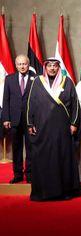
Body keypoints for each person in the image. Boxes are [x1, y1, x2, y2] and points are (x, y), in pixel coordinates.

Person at [26, 58, 81, 201]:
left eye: (55, 66)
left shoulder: (67, 81)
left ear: (58, 67)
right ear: (45, 67)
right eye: (49, 66)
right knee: (44, 159)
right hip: (43, 129)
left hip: (62, 130)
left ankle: (64, 192)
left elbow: (75, 104)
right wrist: (30, 123)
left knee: (62, 159)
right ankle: (44, 193)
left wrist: (74, 123)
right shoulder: (37, 82)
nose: (52, 68)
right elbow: (30, 103)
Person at [2, 55, 36, 184]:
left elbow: (37, 101)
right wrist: (6, 118)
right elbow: (6, 100)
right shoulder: (9, 79)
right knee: (16, 148)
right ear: (16, 65)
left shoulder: (36, 78)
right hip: (14, 120)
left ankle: (30, 174)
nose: (22, 66)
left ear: (28, 64)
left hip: (30, 120)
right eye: (20, 64)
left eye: (24, 64)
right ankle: (17, 174)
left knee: (30, 148)